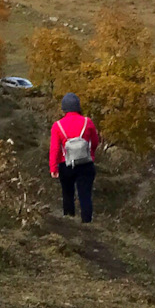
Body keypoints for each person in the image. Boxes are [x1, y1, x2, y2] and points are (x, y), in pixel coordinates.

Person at [49, 92, 101, 223]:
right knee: (85, 195)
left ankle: (69, 220)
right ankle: (87, 222)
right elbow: (95, 142)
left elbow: (54, 148)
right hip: (85, 163)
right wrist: (91, 155)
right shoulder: (87, 122)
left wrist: (53, 167)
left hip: (65, 164)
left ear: (64, 108)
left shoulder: (57, 126)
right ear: (78, 106)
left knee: (67, 194)